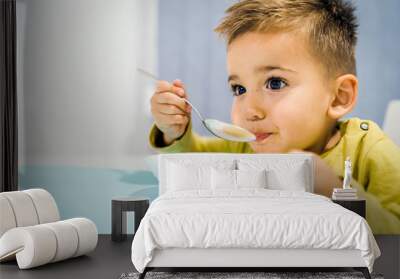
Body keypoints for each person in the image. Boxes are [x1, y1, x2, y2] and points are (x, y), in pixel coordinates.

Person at [148, 0, 400, 234]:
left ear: (338, 97)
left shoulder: (369, 150)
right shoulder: (246, 146)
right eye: (239, 89)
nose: (249, 110)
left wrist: (337, 191)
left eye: (275, 83)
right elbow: (193, 164)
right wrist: (174, 131)